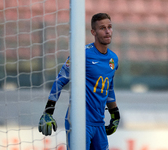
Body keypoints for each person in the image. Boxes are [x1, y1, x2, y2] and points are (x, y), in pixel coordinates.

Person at [38, 13, 120, 150]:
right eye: (102, 28)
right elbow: (60, 81)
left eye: (109, 27)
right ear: (93, 32)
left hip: (99, 122)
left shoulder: (113, 59)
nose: (107, 31)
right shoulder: (81, 54)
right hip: (79, 121)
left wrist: (115, 114)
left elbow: (109, 88)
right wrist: (48, 111)